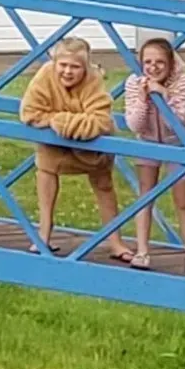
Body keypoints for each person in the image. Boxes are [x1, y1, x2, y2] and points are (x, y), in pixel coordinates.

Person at [18, 37, 133, 261]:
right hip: (54, 146)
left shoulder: (93, 80)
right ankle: (43, 234)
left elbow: (100, 121)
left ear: (86, 66)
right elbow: (29, 113)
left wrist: (60, 122)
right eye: (63, 65)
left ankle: (115, 242)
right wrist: (70, 122)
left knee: (104, 185)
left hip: (93, 149)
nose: (68, 72)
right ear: (54, 62)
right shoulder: (45, 75)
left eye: (75, 67)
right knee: (45, 171)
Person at [123, 37, 185, 275]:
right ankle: (141, 250)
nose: (153, 67)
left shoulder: (182, 82)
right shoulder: (134, 82)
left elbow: (177, 123)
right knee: (145, 196)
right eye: (147, 61)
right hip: (147, 142)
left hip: (176, 144)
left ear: (170, 63)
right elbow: (134, 125)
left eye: (160, 62)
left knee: (182, 200)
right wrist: (143, 98)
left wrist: (164, 95)